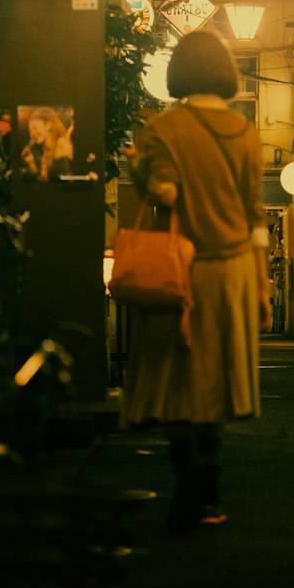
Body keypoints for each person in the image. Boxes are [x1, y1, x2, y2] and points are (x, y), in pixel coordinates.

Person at [121, 30, 272, 535]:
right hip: (232, 275)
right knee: (215, 386)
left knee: (175, 382)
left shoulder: (164, 128)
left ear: (179, 72)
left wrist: (138, 170)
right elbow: (256, 218)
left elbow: (165, 193)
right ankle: (209, 494)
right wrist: (264, 285)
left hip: (181, 274)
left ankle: (187, 468)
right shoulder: (247, 133)